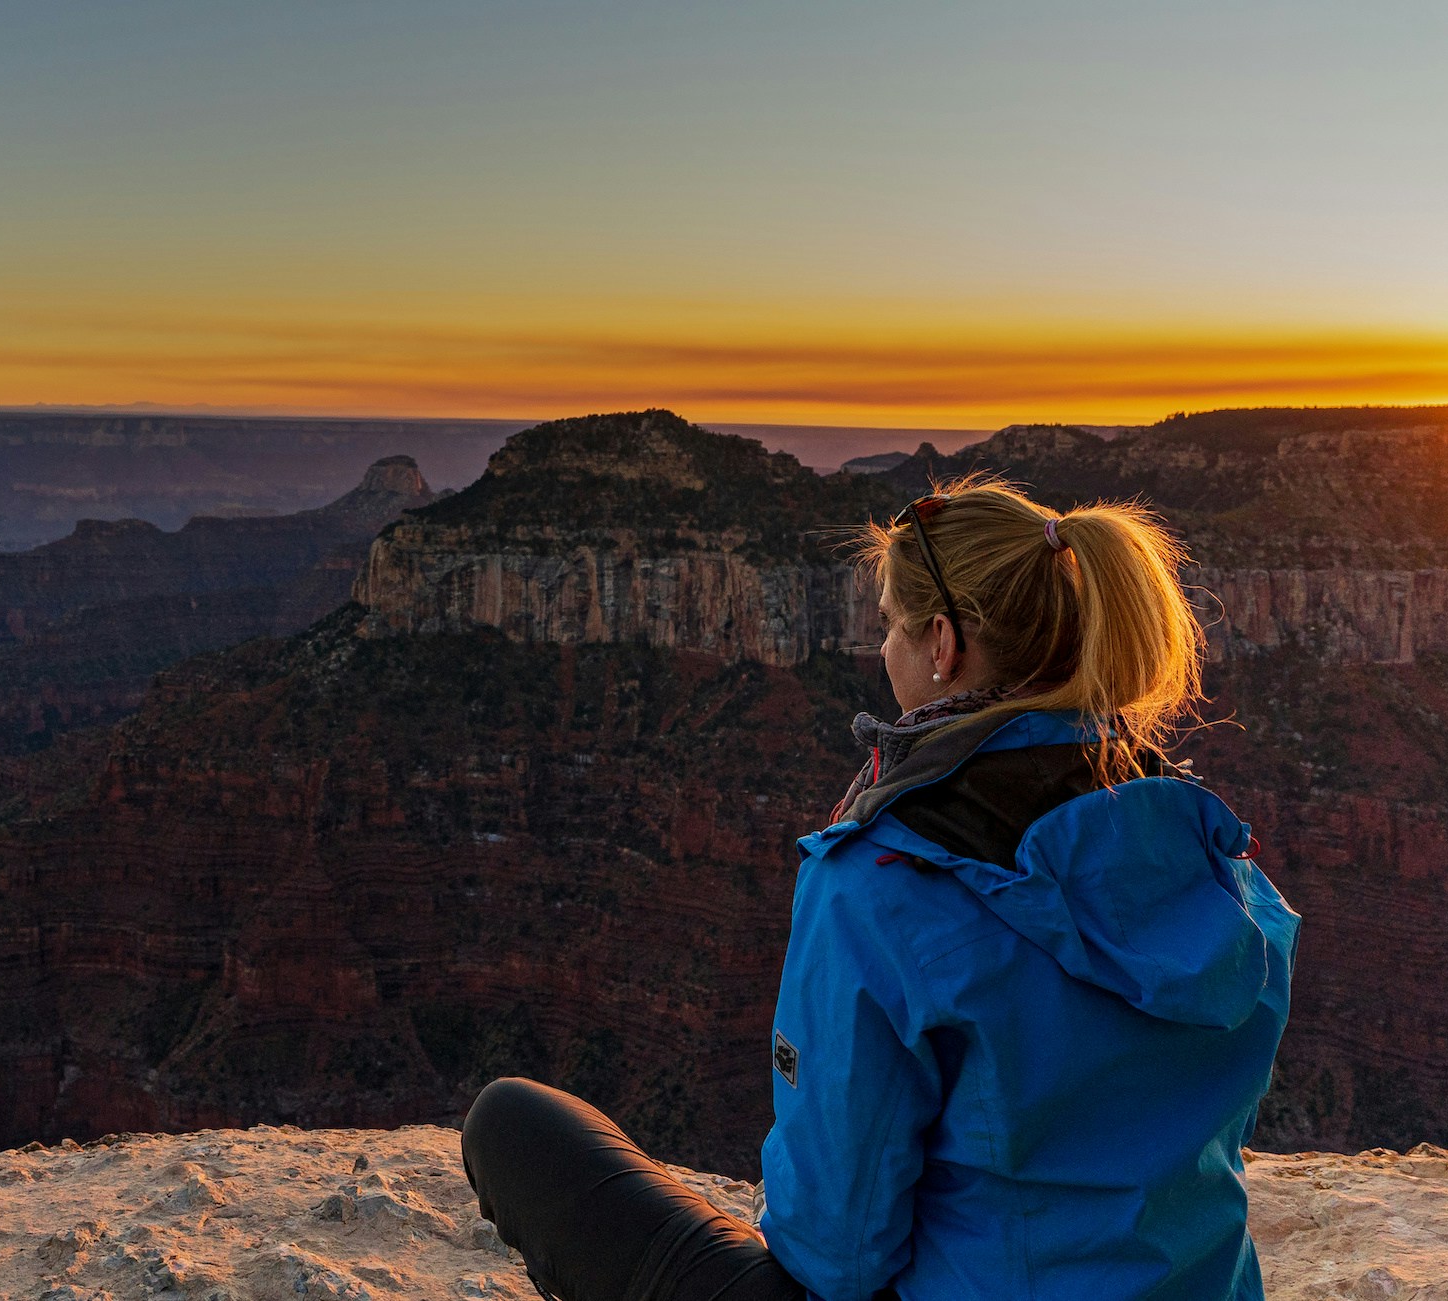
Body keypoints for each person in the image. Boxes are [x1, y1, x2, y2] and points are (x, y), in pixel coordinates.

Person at [460, 480, 1299, 1301]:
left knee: (514, 1125)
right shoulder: (1217, 864)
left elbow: (837, 1254)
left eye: (889, 626)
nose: (880, 650)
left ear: (942, 644)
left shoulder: (882, 880)